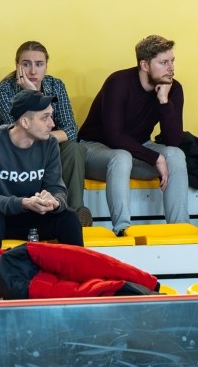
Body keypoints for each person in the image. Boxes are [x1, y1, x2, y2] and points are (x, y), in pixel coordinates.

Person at [78, 35, 189, 236]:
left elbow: (174, 140)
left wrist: (164, 101)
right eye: (163, 63)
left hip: (135, 151)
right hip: (94, 148)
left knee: (176, 155)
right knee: (121, 157)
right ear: (144, 65)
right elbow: (114, 136)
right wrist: (155, 157)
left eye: (172, 61)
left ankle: (180, 228)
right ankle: (123, 229)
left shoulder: (173, 88)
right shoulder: (118, 82)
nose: (171, 68)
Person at [0, 91, 84, 250]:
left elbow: (56, 188)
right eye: (45, 117)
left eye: (51, 116)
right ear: (25, 122)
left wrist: (54, 201)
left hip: (22, 214)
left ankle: (78, 267)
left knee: (68, 218)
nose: (52, 124)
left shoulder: (50, 144)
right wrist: (22, 203)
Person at [0, 41, 91, 228]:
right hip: (16, 150)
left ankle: (75, 211)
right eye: (26, 64)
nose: (32, 71)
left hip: (48, 146)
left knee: (74, 149)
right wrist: (31, 92)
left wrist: (47, 139)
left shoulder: (56, 85)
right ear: (17, 66)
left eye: (39, 64)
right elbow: (23, 128)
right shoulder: (4, 89)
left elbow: (71, 129)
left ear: (46, 65)